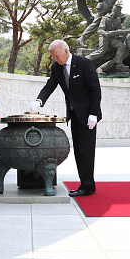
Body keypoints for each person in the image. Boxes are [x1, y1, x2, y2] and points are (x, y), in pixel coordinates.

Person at [30, 40, 102, 196]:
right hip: (74, 113)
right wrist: (39, 101)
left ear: (66, 51)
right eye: (53, 57)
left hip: (88, 115)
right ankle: (87, 184)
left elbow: (95, 90)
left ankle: (87, 185)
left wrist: (93, 114)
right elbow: (50, 85)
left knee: (86, 151)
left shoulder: (84, 63)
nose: (56, 59)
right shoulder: (57, 67)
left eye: (57, 56)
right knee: (78, 150)